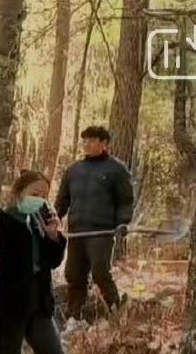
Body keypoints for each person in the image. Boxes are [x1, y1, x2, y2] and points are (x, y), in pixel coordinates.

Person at [0, 171, 69, 354]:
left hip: (39, 306)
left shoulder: (39, 222)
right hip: (9, 307)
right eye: (35, 194)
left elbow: (51, 261)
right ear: (19, 192)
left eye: (44, 196)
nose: (40, 200)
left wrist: (54, 237)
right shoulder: (1, 221)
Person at [54, 125, 135, 321]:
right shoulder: (73, 170)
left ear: (104, 143)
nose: (86, 144)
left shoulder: (116, 169)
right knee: (74, 274)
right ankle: (75, 316)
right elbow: (62, 201)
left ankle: (115, 310)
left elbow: (125, 200)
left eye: (91, 140)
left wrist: (122, 223)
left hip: (102, 232)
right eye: (85, 140)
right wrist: (53, 219)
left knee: (100, 272)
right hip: (76, 231)